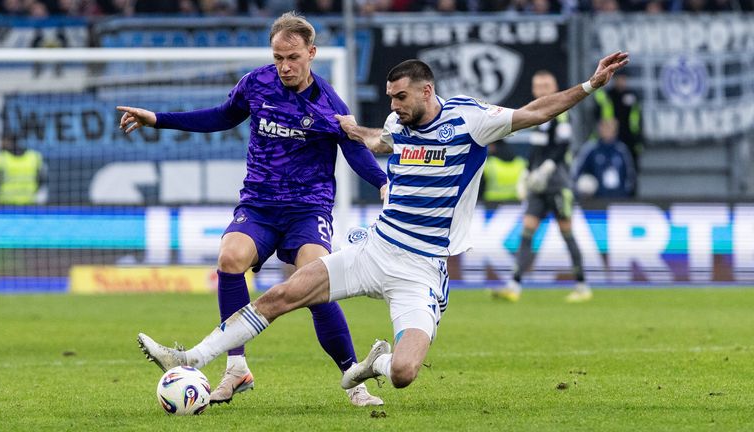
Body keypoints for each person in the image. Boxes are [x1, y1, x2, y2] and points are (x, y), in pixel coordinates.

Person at [136, 51, 629, 396]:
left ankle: (375, 363)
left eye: (400, 98)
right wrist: (360, 131)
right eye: (390, 99)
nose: (393, 107)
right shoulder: (396, 124)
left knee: (404, 374)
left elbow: (534, 111)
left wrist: (588, 86)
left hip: (421, 269)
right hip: (374, 250)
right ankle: (193, 359)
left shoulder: (471, 120)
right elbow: (382, 143)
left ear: (426, 91)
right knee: (282, 295)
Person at [118, 12, 388, 407]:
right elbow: (220, 117)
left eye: (293, 57)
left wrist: (382, 183)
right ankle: (236, 367)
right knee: (230, 258)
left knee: (315, 280)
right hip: (259, 205)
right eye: (278, 57)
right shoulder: (256, 84)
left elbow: (356, 151)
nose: (285, 66)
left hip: (307, 209)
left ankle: (354, 379)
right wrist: (158, 119)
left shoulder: (330, 105)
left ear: (311, 53)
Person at [492, 70, 591, 303]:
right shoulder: (538, 114)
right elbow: (536, 149)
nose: (542, 89)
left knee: (567, 232)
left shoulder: (561, 113)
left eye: (547, 85)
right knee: (527, 232)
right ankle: (514, 284)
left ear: (554, 86)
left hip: (557, 184)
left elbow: (563, 146)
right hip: (538, 185)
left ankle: (582, 285)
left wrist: (546, 168)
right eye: (538, 86)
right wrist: (526, 172)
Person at [573, 118, 636, 199]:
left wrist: (626, 193)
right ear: (599, 128)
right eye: (605, 126)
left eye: (611, 126)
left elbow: (630, 175)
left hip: (620, 200)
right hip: (596, 202)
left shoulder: (622, 150)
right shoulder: (590, 149)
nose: (608, 129)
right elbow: (576, 173)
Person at [593, 74, 642, 173]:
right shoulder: (608, 96)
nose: (621, 82)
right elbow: (598, 115)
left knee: (631, 169)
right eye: (618, 79)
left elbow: (638, 119)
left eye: (623, 79)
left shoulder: (633, 96)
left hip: (630, 139)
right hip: (611, 138)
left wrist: (639, 140)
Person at [0, 134, 47, 205]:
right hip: (29, 204)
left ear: (7, 141)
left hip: (4, 205)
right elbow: (43, 181)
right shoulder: (34, 156)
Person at [480, 140, 527, 205]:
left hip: (490, 208)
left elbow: (478, 191)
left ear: (493, 146)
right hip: (515, 206)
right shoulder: (522, 163)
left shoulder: (488, 165)